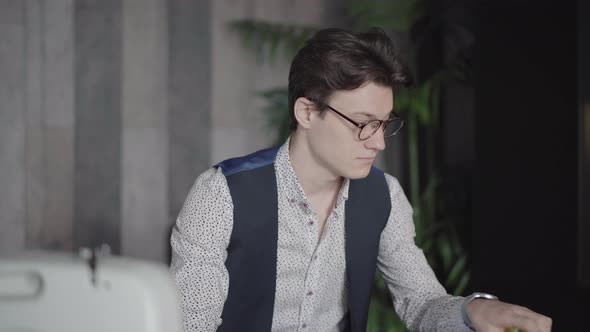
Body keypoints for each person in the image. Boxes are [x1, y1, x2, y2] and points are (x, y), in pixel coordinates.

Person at [170, 27, 552, 332]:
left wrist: (474, 312)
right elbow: (191, 325)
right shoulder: (221, 193)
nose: (377, 142)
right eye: (363, 124)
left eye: (384, 125)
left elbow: (421, 303)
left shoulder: (384, 195)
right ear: (306, 111)